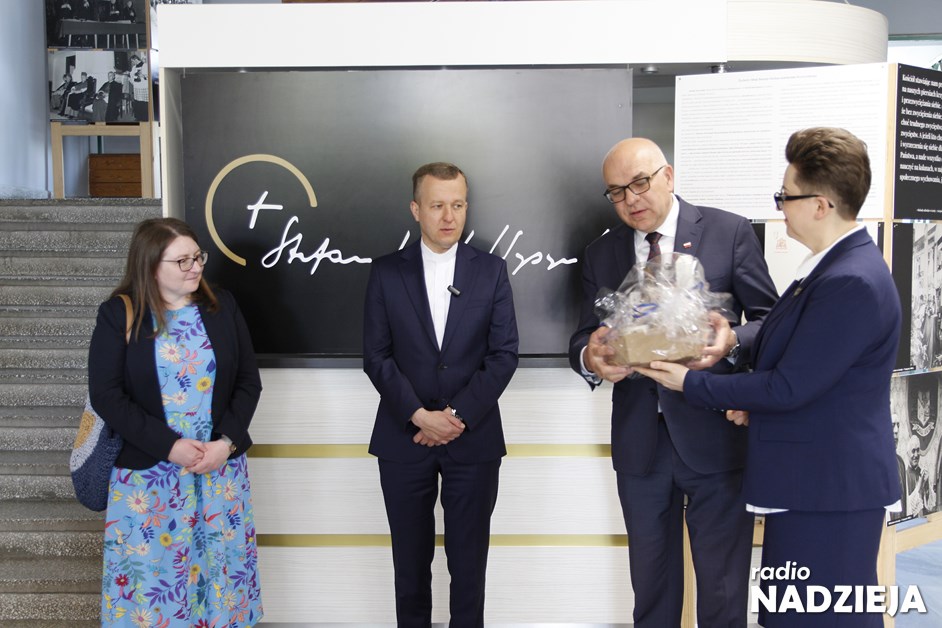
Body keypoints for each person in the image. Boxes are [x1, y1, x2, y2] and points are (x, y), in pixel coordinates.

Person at [636, 127, 902, 627]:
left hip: (831, 490)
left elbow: (788, 386)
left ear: (820, 205)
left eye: (785, 196)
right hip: (809, 485)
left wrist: (690, 383)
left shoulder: (850, 280)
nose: (780, 207)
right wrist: (731, 340)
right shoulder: (828, 268)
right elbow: (800, 354)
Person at [568, 137, 778, 627]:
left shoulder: (729, 231)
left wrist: (732, 340)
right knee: (652, 590)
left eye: (640, 183)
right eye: (616, 192)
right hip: (640, 444)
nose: (630, 199)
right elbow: (582, 336)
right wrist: (591, 358)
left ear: (668, 176)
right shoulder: (600, 252)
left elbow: (771, 321)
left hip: (716, 432)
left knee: (722, 590)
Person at [363, 162, 519, 627]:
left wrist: (456, 415)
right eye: (437, 206)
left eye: (458, 205)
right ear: (416, 209)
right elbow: (376, 356)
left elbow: (504, 355)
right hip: (402, 438)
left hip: (473, 439)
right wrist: (418, 414)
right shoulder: (386, 272)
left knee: (469, 567)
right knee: (409, 567)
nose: (449, 216)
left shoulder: (491, 271)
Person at [88, 217, 264, 627]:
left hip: (218, 474)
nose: (195, 267)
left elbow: (248, 382)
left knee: (220, 582)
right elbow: (107, 396)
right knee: (152, 589)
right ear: (151, 266)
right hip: (149, 481)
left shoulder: (222, 306)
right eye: (182, 261)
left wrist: (226, 444)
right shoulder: (119, 314)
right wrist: (171, 447)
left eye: (198, 257)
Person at [904, 434, 936, 517]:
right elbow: (908, 509)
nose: (916, 455)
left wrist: (927, 485)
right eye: (913, 451)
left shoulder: (922, 473)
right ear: (907, 454)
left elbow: (930, 506)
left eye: (918, 450)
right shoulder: (904, 476)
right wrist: (919, 486)